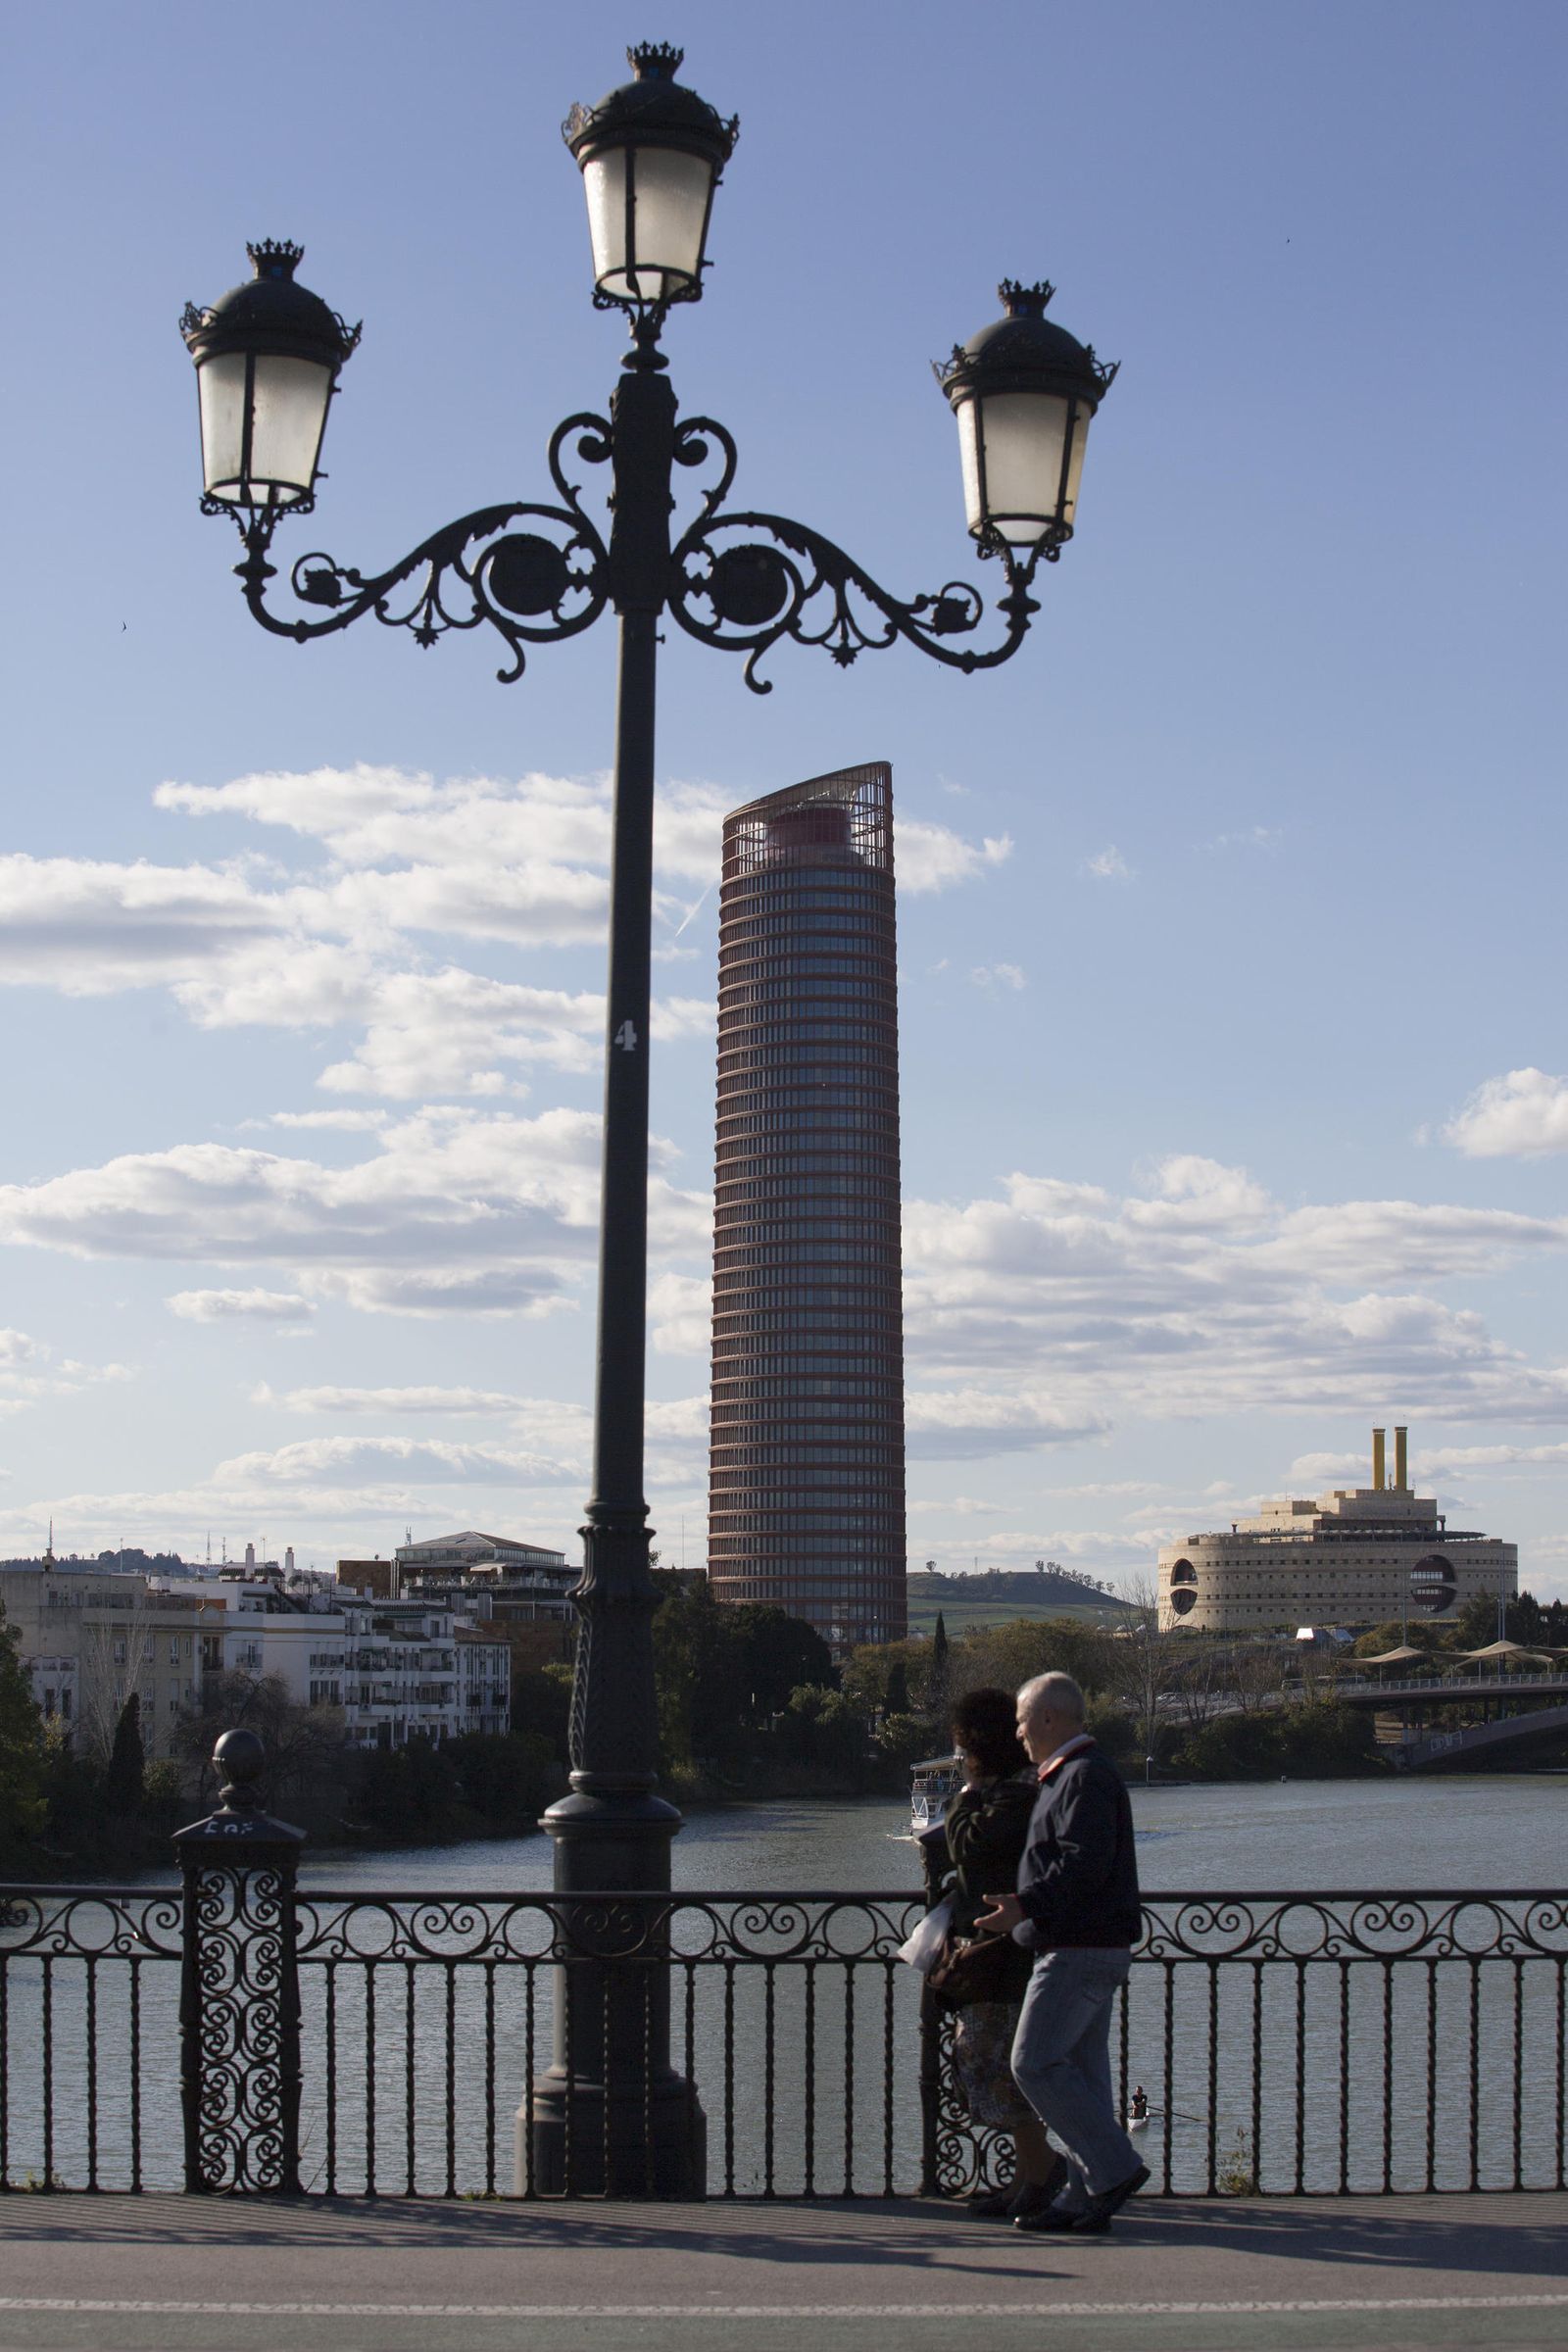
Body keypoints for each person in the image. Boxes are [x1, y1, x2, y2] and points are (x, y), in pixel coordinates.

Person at [975, 1669, 1149, 2234]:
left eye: (1024, 1722)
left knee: (1033, 2062)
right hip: (1088, 1945)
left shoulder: (1083, 1777)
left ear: (1049, 1718)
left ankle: (1114, 2168)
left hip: (1077, 1949)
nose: (1019, 1734)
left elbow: (1082, 1865)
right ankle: (1080, 2196)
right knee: (1081, 2074)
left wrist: (1026, 1906)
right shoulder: (1072, 1775)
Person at [938, 1687, 1067, 2222]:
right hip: (1003, 1951)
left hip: (1004, 1955)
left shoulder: (1013, 1797)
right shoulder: (1020, 1791)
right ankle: (1027, 2178)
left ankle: (1042, 2174)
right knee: (995, 2065)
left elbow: (966, 1843)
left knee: (996, 2066)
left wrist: (966, 1794)